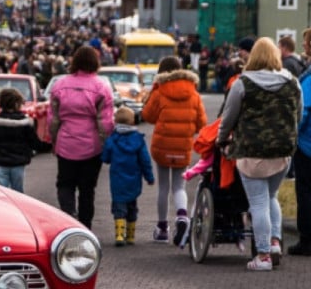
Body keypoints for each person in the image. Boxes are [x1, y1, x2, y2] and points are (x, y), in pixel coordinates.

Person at [217, 37, 302, 271]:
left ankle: (263, 255)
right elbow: (298, 115)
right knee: (272, 196)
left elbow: (228, 117)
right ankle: (275, 242)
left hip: (251, 151)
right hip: (283, 150)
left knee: (258, 202)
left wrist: (221, 138)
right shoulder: (292, 82)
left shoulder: (243, 83)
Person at [141, 55, 206, 246]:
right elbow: (201, 123)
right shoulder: (193, 92)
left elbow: (148, 115)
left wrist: (153, 92)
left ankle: (162, 229)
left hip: (163, 146)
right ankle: (182, 217)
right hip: (183, 145)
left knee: (163, 187)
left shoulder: (160, 91)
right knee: (179, 186)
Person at [48, 44, 114, 229]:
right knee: (87, 189)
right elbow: (106, 121)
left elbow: (53, 119)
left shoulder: (60, 85)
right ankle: (85, 225)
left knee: (65, 184)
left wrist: (54, 141)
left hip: (66, 143)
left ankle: (69, 216)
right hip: (92, 146)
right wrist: (106, 142)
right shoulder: (101, 87)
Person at [102, 105, 155, 246]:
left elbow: (105, 157)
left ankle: (119, 235)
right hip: (134, 179)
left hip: (117, 179)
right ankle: (131, 236)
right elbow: (145, 160)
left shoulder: (112, 139)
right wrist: (149, 177)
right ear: (132, 122)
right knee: (132, 205)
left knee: (119, 206)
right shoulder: (138, 140)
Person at [0, 87, 40, 193]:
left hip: (1, 162)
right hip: (19, 162)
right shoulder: (25, 122)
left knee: (1, 192)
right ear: (17, 103)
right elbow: (33, 141)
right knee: (17, 191)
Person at [290, 27, 311, 256]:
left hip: (306, 145)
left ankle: (306, 240)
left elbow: (303, 112)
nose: (303, 46)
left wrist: (293, 135)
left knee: (305, 193)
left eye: (306, 43)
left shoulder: (309, 79)